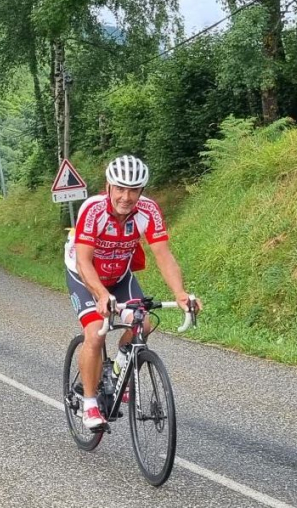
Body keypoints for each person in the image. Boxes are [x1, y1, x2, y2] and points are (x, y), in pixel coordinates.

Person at [64, 155, 201, 430]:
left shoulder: (148, 211)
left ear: (141, 191)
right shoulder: (93, 210)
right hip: (84, 274)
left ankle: (118, 372)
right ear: (109, 186)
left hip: (120, 274)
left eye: (134, 190)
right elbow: (83, 261)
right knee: (95, 332)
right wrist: (101, 295)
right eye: (121, 189)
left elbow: (163, 256)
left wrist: (180, 293)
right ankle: (90, 402)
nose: (126, 197)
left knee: (144, 323)